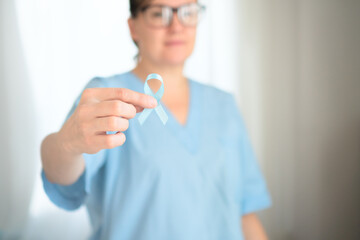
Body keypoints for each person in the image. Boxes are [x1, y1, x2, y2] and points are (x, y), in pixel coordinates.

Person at [40, 0, 272, 239]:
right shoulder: (106, 96)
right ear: (133, 27)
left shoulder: (224, 104)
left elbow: (245, 213)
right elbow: (62, 176)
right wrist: (66, 145)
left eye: (187, 12)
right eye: (158, 13)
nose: (176, 25)